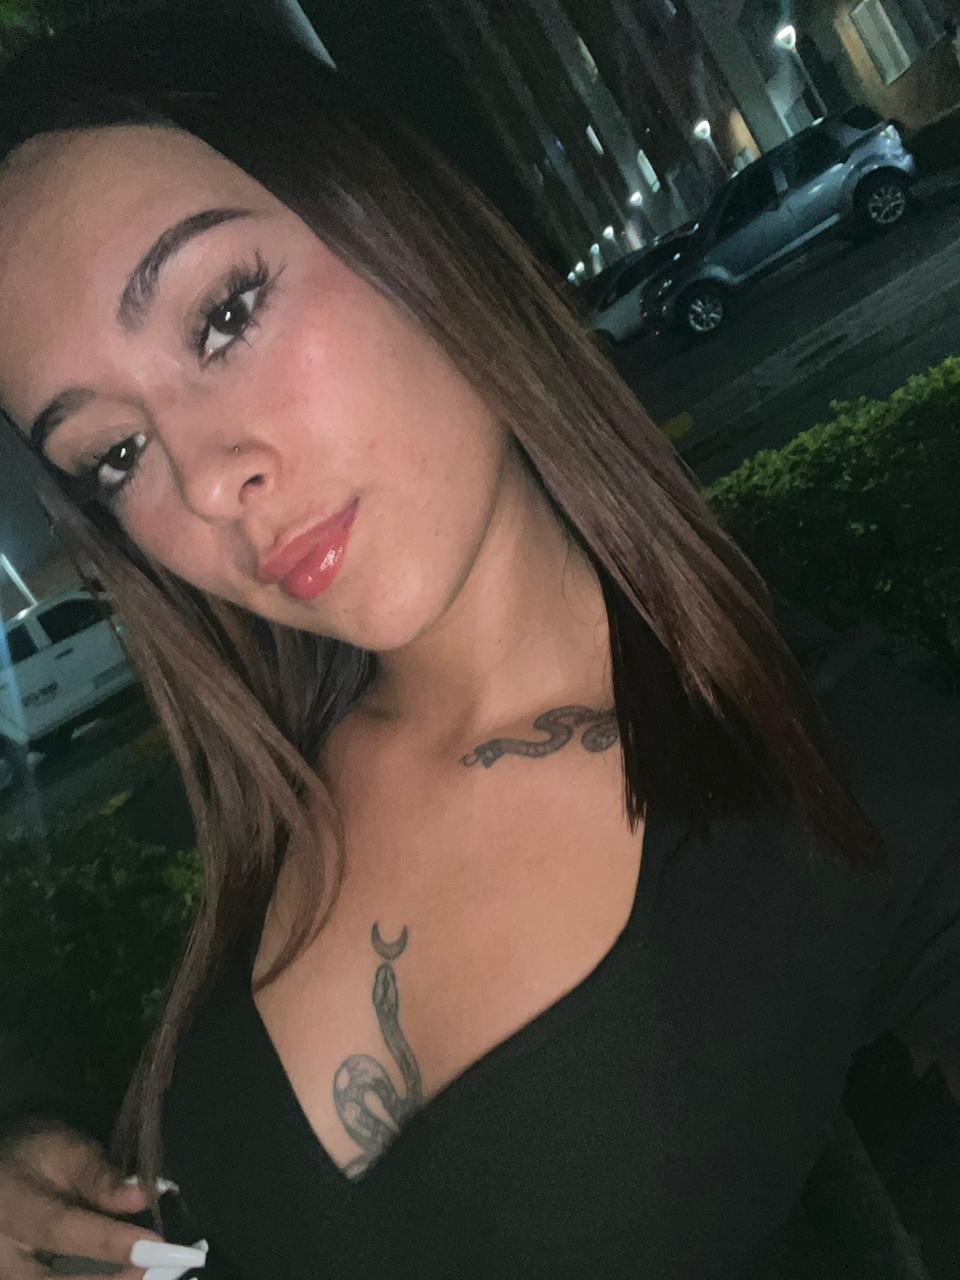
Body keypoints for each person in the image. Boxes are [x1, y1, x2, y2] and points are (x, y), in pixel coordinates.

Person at [0, 8, 957, 1280]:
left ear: (401, 218)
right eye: (115, 453)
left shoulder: (847, 772)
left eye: (223, 315)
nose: (210, 479)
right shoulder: (251, 805)